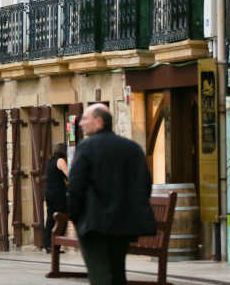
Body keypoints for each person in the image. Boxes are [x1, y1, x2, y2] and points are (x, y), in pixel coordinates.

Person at [67, 104, 156, 285]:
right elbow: (145, 184)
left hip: (94, 224)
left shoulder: (86, 148)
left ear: (99, 122)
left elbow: (76, 185)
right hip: (123, 223)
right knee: (117, 273)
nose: (81, 123)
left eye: (85, 119)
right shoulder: (132, 148)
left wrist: (75, 216)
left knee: (100, 274)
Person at [43, 143, 69, 252]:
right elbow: (68, 174)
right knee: (62, 218)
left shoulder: (50, 161)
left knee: (50, 218)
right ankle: (56, 244)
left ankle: (48, 244)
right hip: (58, 194)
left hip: (49, 193)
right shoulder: (61, 161)